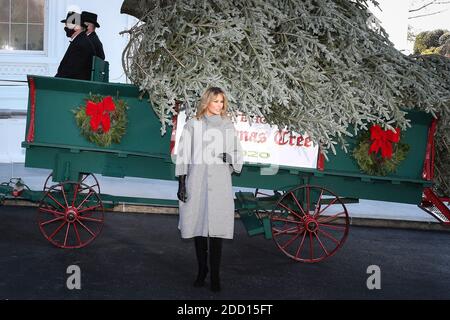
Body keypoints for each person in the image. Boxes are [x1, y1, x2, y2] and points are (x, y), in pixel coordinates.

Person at [175, 87, 243, 292]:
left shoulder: (228, 125)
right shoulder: (192, 125)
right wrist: (181, 184)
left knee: (216, 231)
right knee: (198, 229)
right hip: (197, 181)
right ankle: (202, 270)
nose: (219, 105)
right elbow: (183, 155)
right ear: (206, 102)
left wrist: (229, 158)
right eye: (215, 101)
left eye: (222, 101)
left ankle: (215, 275)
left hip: (220, 183)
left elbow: (238, 154)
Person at [55, 11, 95, 80]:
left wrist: (53, 82)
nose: (65, 28)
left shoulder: (81, 44)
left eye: (68, 25)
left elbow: (69, 71)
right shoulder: (80, 41)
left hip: (74, 86)